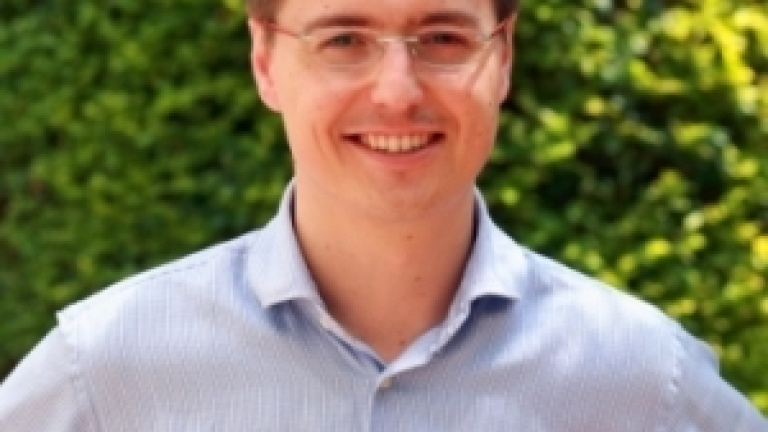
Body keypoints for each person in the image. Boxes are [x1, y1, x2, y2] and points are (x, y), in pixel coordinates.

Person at [1, 0, 766, 430]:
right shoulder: (107, 370)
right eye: (344, 39)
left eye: (443, 38)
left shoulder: (641, 380)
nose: (398, 91)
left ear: (503, 58)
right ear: (265, 62)